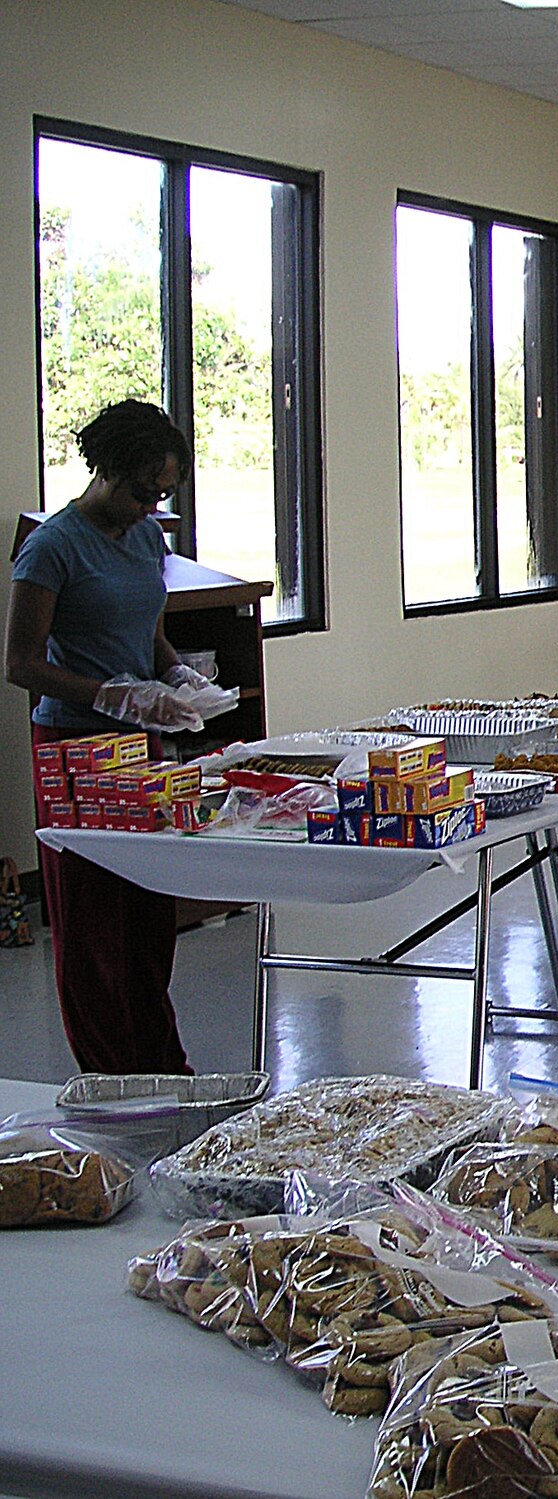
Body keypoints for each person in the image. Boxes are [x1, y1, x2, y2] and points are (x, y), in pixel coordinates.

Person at [6, 399, 214, 1074]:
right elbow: (21, 663)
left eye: (162, 496)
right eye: (142, 492)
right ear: (106, 471)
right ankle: (110, 1074)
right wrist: (107, 694)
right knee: (92, 918)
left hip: (137, 746)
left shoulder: (146, 539)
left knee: (147, 910)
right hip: (74, 747)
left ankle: (161, 1063)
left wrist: (176, 674)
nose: (150, 508)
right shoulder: (52, 547)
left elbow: (148, 634)